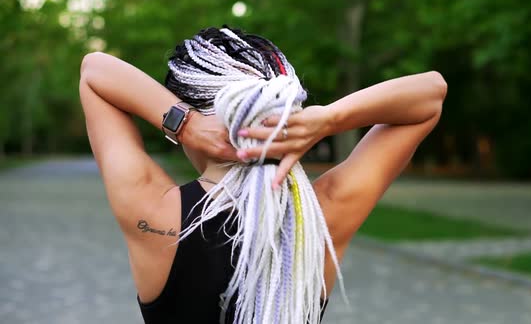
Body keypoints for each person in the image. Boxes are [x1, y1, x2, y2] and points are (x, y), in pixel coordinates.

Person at [79, 27, 446, 324]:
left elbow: (95, 71)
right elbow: (430, 94)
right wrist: (328, 119)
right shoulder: (325, 215)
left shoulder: (156, 213)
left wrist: (182, 123)